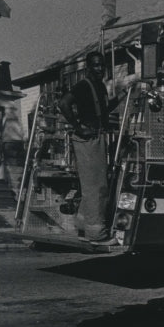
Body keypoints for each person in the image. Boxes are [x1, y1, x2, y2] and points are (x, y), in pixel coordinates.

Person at [58, 50, 130, 245]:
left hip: (97, 137)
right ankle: (97, 234)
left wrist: (124, 94)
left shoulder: (100, 87)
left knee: (96, 184)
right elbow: (63, 103)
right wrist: (78, 127)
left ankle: (83, 225)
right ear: (88, 68)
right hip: (87, 139)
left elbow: (104, 110)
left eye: (102, 65)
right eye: (96, 65)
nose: (100, 69)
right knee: (96, 187)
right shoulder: (83, 85)